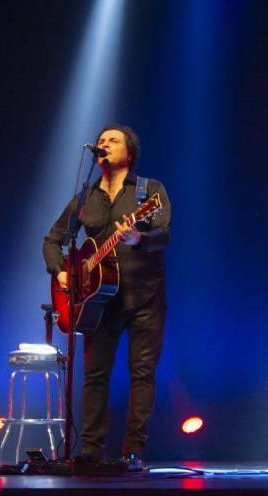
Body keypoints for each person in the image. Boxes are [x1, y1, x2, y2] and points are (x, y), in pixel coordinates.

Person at [42, 124, 171, 470]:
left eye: (112, 141)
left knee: (142, 373)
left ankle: (133, 452)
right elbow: (52, 240)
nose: (103, 145)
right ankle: (89, 451)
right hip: (97, 300)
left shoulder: (149, 192)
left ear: (129, 154)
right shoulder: (85, 197)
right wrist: (63, 271)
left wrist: (138, 239)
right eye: (100, 141)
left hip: (146, 297)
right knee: (94, 375)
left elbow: (164, 235)